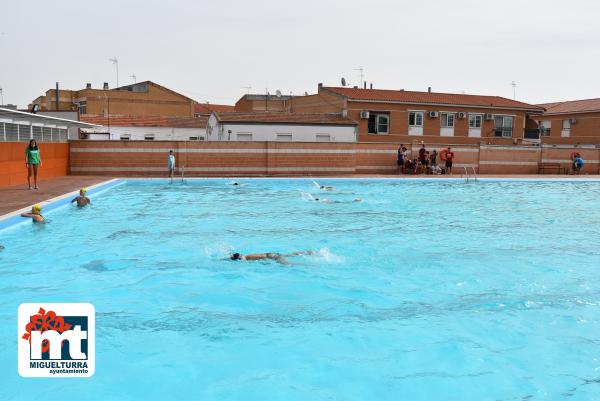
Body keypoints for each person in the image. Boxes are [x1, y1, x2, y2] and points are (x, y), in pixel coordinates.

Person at [230, 250, 316, 265]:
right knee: (290, 255)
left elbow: (262, 259)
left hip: (273, 257)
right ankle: (309, 252)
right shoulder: (248, 255)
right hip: (271, 254)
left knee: (288, 264)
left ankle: (306, 265)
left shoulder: (247, 258)